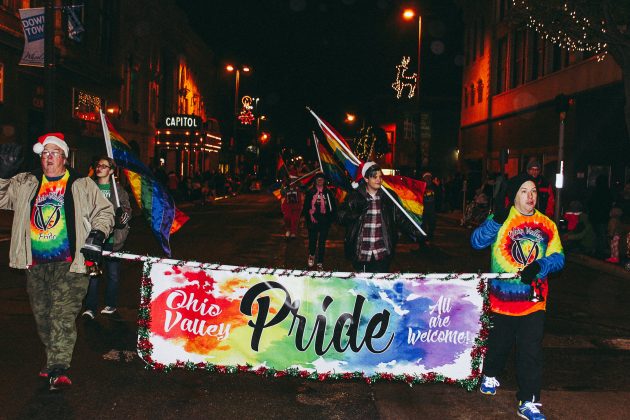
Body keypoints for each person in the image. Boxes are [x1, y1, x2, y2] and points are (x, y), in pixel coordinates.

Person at [0, 133, 115, 391]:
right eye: (44, 154)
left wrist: (97, 233)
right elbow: (1, 197)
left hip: (70, 263)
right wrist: (3, 175)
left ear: (64, 157)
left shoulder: (81, 184)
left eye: (54, 153)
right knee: (43, 317)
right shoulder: (26, 183)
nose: (48, 158)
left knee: (62, 315)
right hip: (35, 263)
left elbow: (105, 211)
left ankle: (58, 367)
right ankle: (54, 358)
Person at [471, 173, 564, 420]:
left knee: (530, 351)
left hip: (534, 301)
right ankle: (490, 373)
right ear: (514, 195)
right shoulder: (502, 220)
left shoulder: (547, 225)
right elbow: (476, 242)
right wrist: (494, 222)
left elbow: (559, 257)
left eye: (533, 191)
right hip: (502, 301)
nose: (530, 196)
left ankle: (529, 400)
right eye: (524, 191)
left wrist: (540, 266)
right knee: (499, 344)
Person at [338, 162, 419, 273]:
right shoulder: (355, 196)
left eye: (380, 176)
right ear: (366, 179)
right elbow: (340, 216)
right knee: (362, 288)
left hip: (382, 252)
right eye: (374, 177)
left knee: (378, 288)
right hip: (361, 252)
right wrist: (355, 213)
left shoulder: (388, 197)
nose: (378, 180)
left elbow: (400, 217)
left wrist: (415, 230)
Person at [83, 157, 131, 319]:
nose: (100, 168)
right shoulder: (90, 187)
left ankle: (110, 304)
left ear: (111, 171)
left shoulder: (118, 190)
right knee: (92, 274)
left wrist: (122, 215)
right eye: (98, 165)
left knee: (113, 275)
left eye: (104, 166)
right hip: (93, 239)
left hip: (112, 241)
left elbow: (126, 209)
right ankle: (90, 308)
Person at [302, 173, 337, 270]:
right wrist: (308, 220)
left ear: (324, 181)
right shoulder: (310, 192)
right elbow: (306, 208)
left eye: (322, 179)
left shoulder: (328, 193)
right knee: (312, 241)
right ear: (315, 181)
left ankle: (320, 262)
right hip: (313, 221)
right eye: (318, 179)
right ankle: (311, 255)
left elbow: (333, 207)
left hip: (324, 222)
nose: (320, 181)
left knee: (322, 243)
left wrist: (331, 219)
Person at [419, 172, 436, 247]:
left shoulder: (434, 186)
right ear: (424, 179)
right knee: (423, 224)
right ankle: (423, 239)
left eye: (429, 177)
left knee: (432, 223)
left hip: (432, 208)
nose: (428, 179)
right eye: (426, 177)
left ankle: (430, 237)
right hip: (424, 208)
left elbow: (439, 195)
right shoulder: (421, 186)